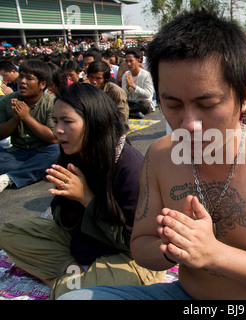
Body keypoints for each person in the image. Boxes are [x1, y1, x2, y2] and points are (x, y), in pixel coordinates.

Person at [58, 9, 246, 300]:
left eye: (207, 104)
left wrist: (213, 253)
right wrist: (173, 247)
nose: (188, 125)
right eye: (172, 104)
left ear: (245, 94)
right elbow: (142, 243)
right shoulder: (160, 157)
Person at [0, 83, 165, 299]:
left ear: (94, 123)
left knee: (92, 289)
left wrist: (86, 198)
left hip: (126, 255)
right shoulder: (73, 154)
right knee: (10, 232)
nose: (58, 130)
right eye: (56, 121)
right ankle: (73, 275)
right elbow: (61, 218)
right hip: (84, 243)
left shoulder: (130, 167)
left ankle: (62, 285)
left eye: (67, 122)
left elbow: (135, 241)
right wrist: (67, 201)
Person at [0, 59, 60, 193]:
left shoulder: (53, 103)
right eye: (21, 76)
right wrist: (15, 119)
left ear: (42, 84)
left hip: (44, 151)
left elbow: (54, 137)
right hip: (17, 153)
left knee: (58, 151)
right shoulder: (6, 101)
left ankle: (9, 177)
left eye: (29, 78)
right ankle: (35, 170)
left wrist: (26, 117)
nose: (22, 81)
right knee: (46, 165)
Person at [87, 60, 129, 125]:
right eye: (91, 77)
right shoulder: (87, 89)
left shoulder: (116, 91)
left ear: (105, 79)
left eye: (98, 78)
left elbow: (123, 116)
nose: (94, 81)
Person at [121, 48, 155, 119]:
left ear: (138, 60)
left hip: (143, 103)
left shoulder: (146, 75)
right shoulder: (126, 75)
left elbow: (148, 94)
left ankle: (125, 112)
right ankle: (132, 113)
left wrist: (133, 86)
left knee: (144, 105)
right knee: (119, 103)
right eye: (127, 61)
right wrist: (128, 86)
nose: (128, 64)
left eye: (131, 61)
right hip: (132, 102)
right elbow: (124, 95)